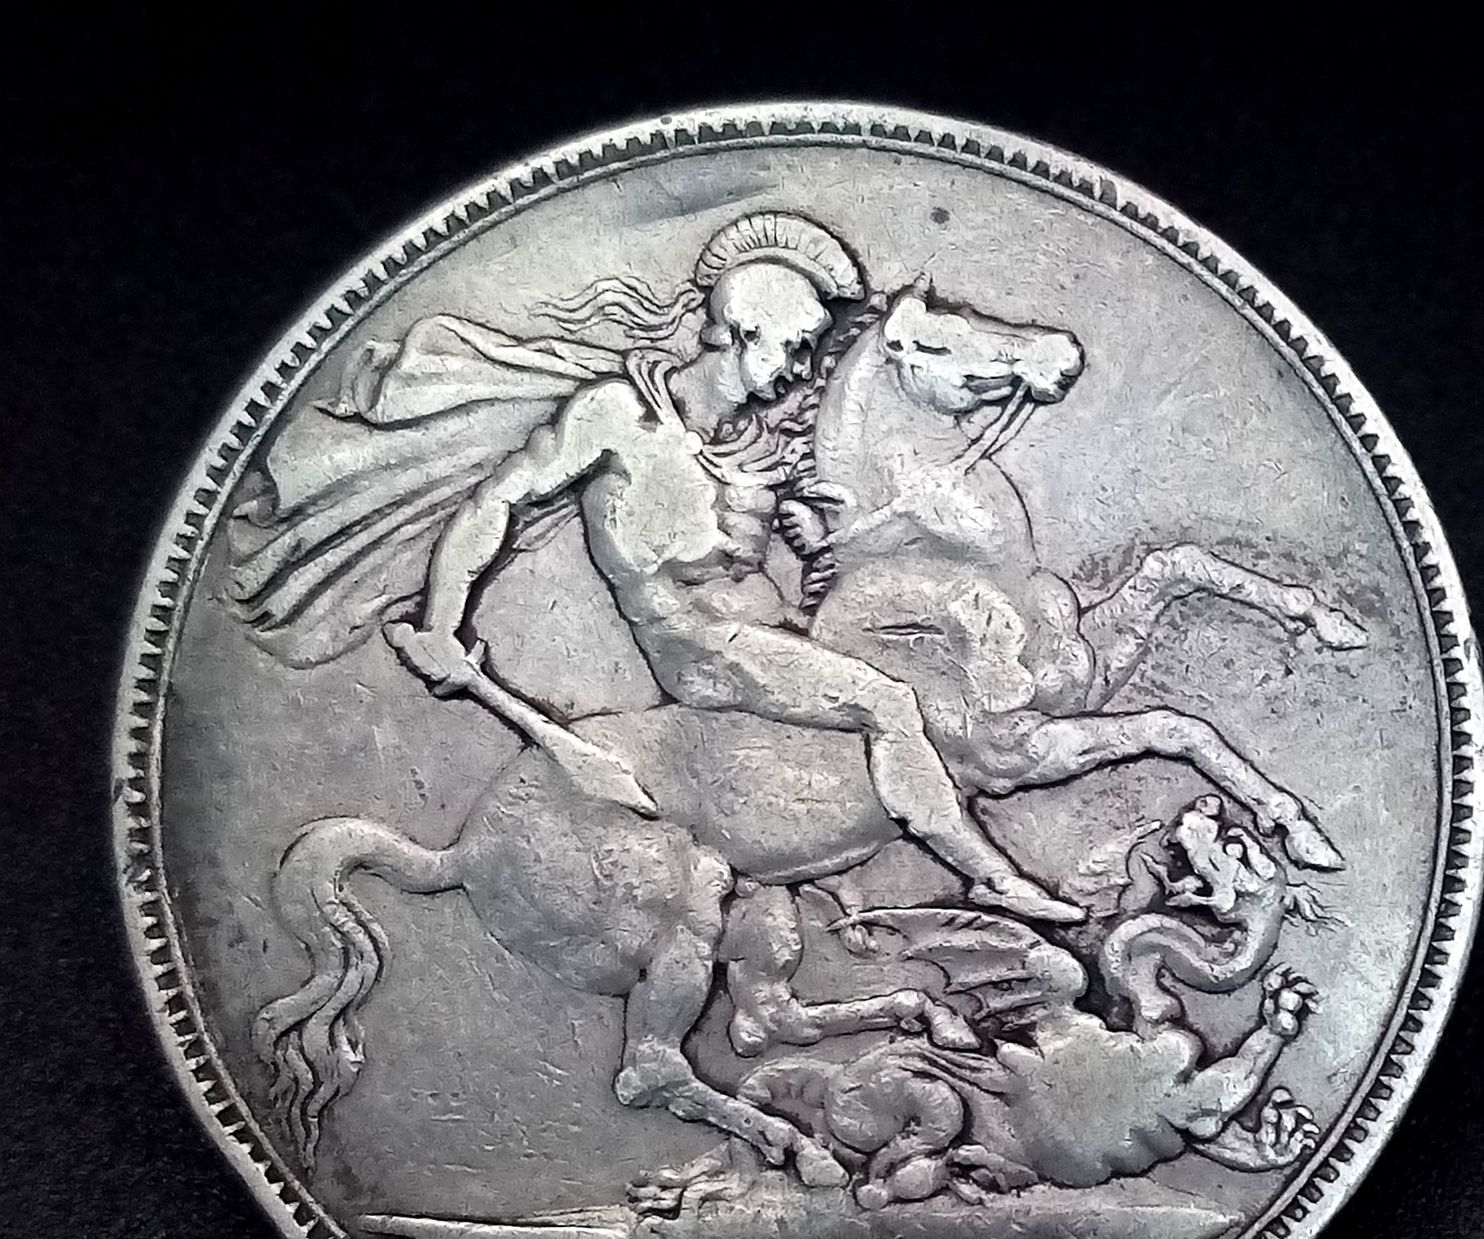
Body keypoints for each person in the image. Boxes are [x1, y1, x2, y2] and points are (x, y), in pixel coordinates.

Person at [250, 211, 1079, 923]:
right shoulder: (617, 417)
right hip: (702, 650)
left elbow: (784, 559)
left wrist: (811, 542)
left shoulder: (754, 444)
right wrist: (441, 620)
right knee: (889, 701)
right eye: (793, 346)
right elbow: (496, 503)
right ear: (742, 330)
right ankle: (989, 874)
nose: (800, 368)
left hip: (776, 632)